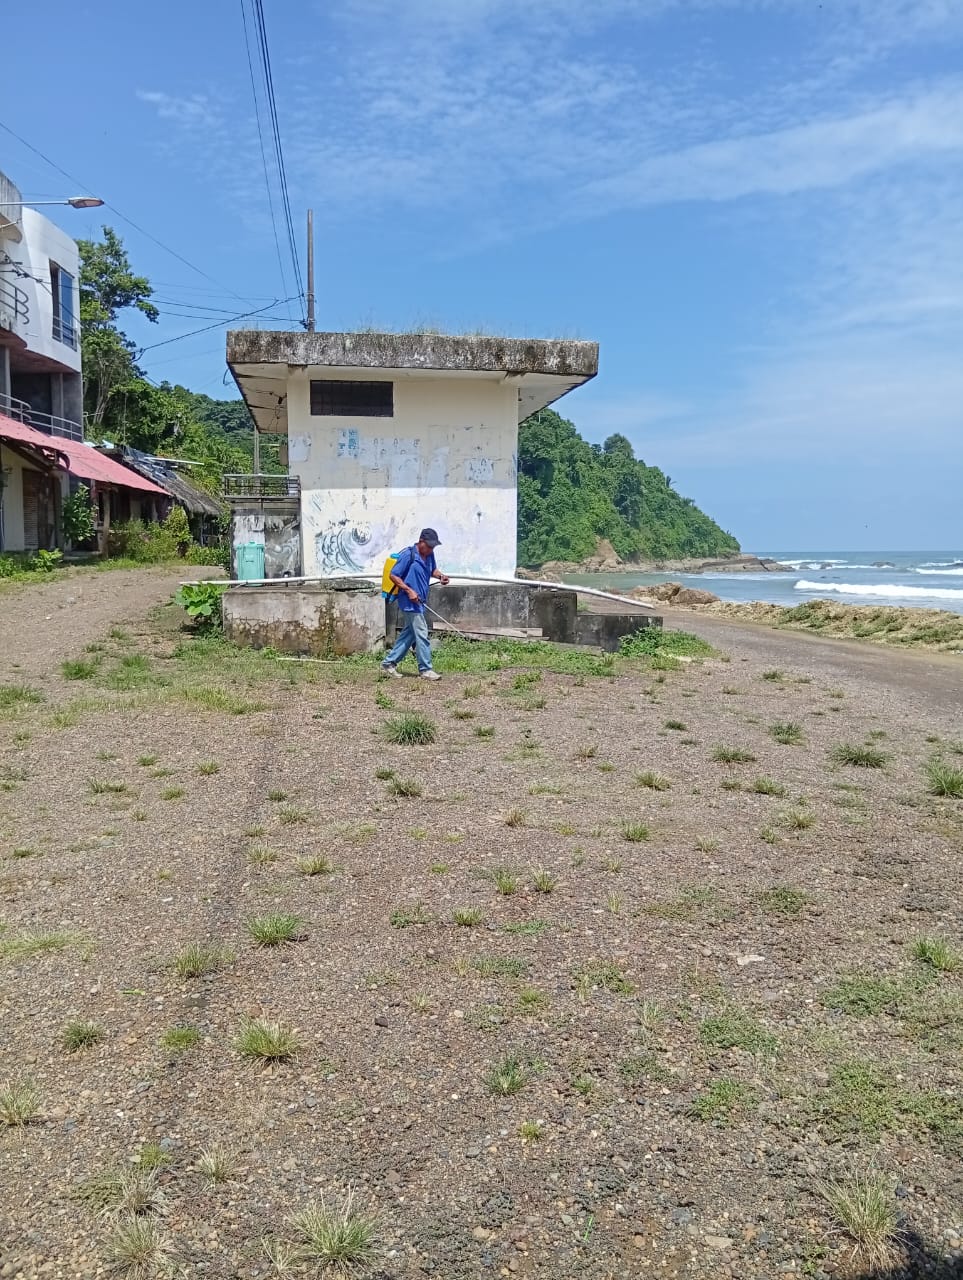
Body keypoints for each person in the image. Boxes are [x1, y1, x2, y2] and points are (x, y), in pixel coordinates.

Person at [380, 528, 450, 680]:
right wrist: (408, 590)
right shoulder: (408, 555)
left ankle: (388, 664)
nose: (431, 549)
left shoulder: (429, 554)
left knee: (409, 634)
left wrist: (441, 576)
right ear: (421, 541)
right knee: (422, 632)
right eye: (429, 546)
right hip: (408, 601)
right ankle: (425, 669)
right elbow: (394, 575)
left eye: (433, 547)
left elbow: (432, 570)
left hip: (420, 600)